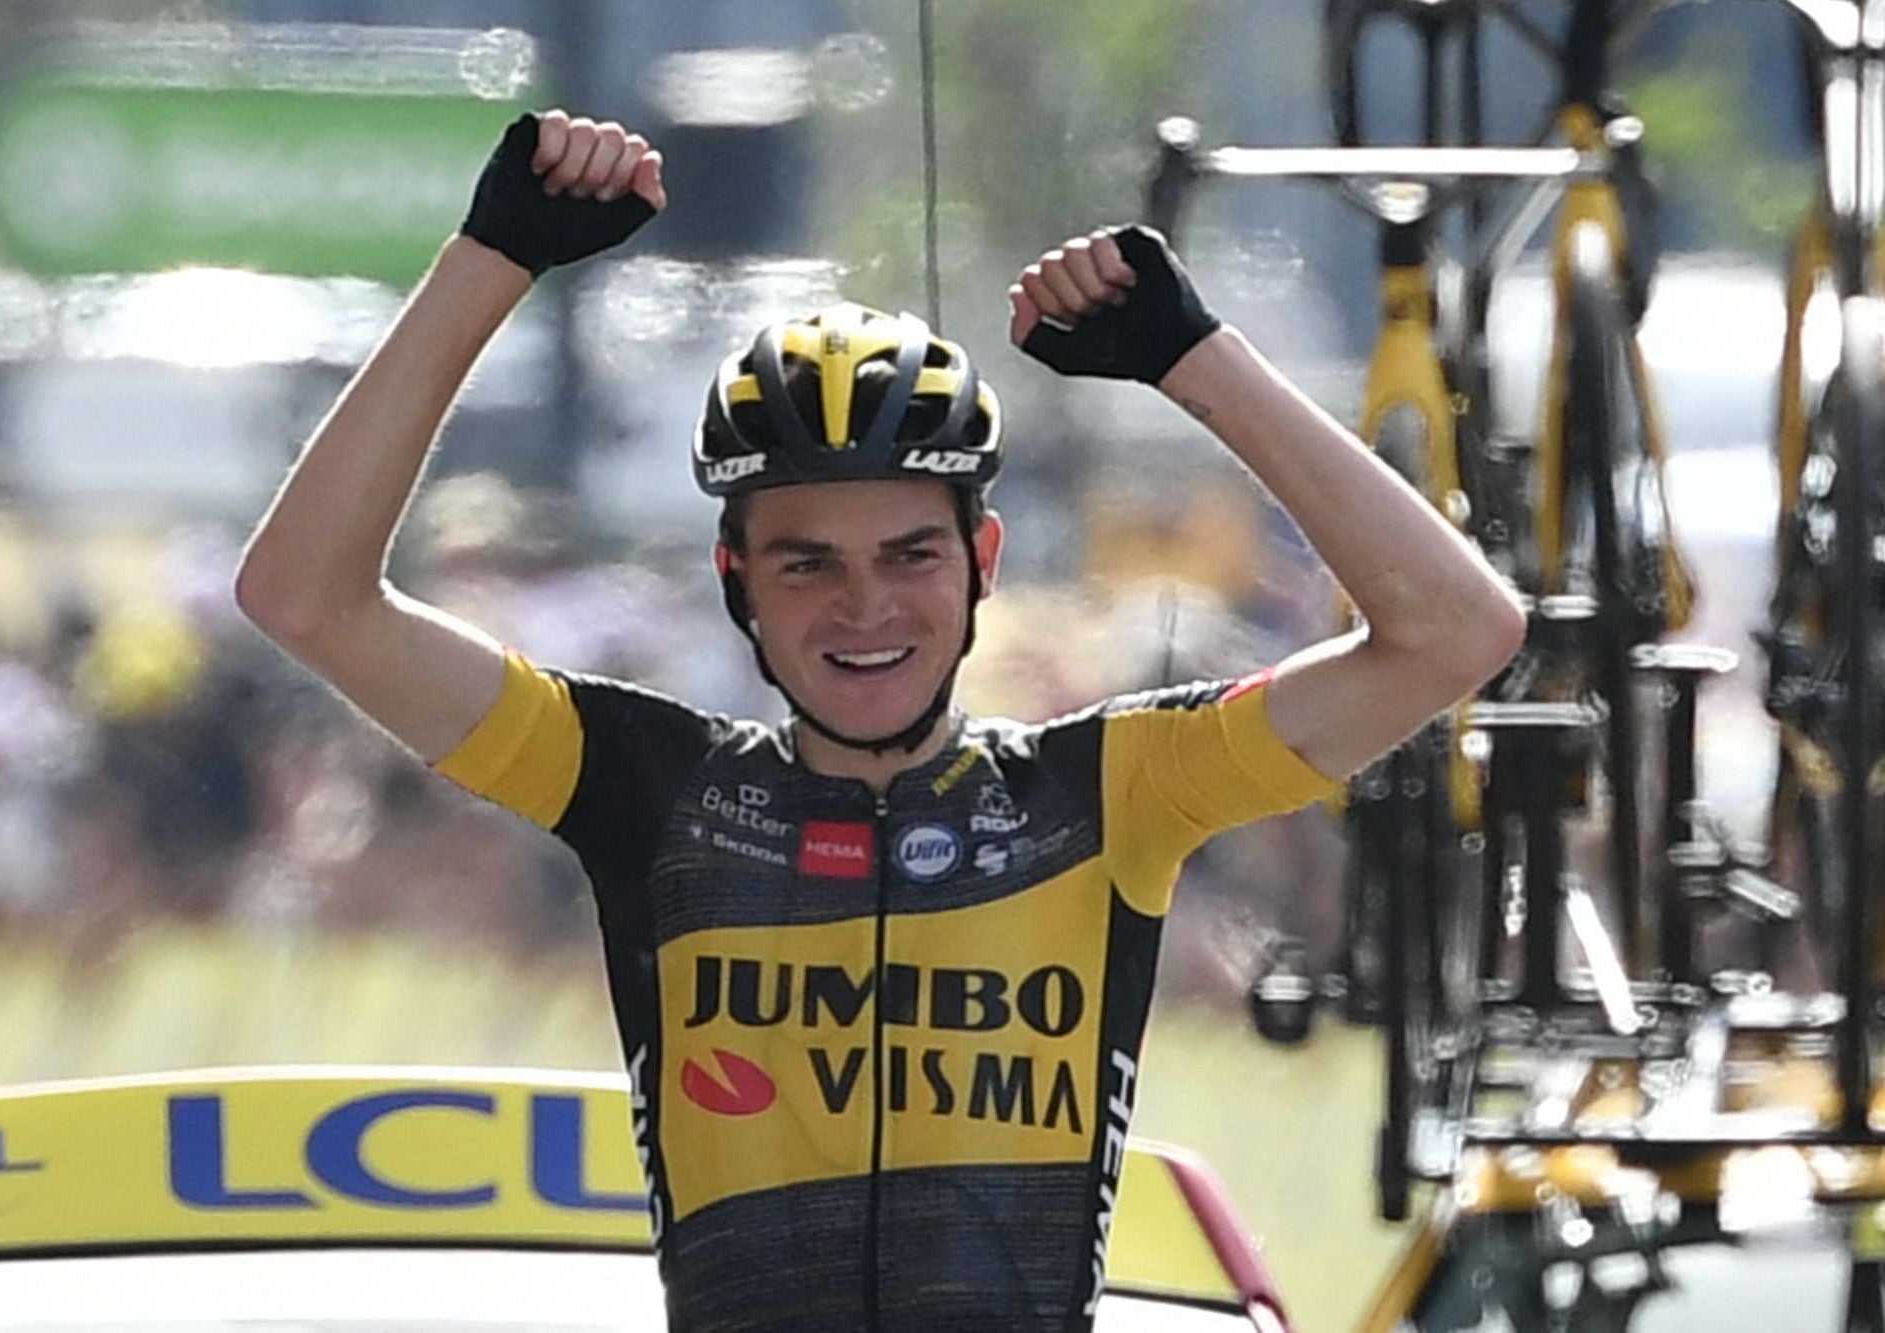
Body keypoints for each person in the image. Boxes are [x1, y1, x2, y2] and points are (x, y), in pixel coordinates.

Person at [236, 108, 1526, 1332]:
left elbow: (1457, 632)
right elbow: (305, 596)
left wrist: (1196, 361)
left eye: (912, 555)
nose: (866, 609)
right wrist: (492, 259)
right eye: (807, 564)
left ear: (987, 561)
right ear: (734, 579)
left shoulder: (1114, 790)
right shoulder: (646, 785)